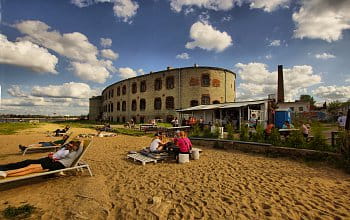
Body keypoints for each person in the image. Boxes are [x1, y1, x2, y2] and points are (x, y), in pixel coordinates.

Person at [0, 141, 82, 179]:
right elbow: (63, 148)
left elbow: (80, 146)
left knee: (31, 168)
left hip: (58, 164)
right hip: (54, 161)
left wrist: (80, 142)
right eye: (70, 144)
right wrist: (53, 157)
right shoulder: (66, 150)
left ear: (76, 147)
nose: (70, 145)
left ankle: (6, 173)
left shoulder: (75, 152)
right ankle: (6, 173)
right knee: (30, 167)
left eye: (73, 145)